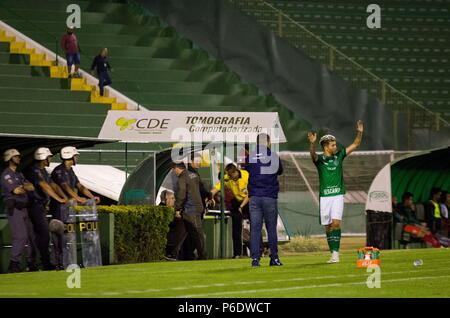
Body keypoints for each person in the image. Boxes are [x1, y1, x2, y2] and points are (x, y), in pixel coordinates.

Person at [308, 120, 363, 263]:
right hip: (325, 197)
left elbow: (355, 144)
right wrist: (312, 143)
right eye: (333, 145)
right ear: (326, 147)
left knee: (336, 223)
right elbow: (312, 155)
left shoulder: (339, 156)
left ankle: (336, 254)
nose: (336, 146)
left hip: (337, 195)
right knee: (328, 227)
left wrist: (360, 132)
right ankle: (332, 253)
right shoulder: (319, 159)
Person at [50, 146, 100, 268]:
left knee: (69, 235)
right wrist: (78, 198)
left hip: (69, 209)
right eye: (75, 156)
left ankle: (68, 261)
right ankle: (59, 262)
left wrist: (92, 197)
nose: (76, 158)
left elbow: (79, 186)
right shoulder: (59, 170)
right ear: (70, 156)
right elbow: (65, 186)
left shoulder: (70, 171)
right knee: (62, 235)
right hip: (60, 207)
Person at [25, 147, 68, 270]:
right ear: (43, 158)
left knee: (41, 235)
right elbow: (45, 186)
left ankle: (43, 262)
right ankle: (43, 262)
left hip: (41, 207)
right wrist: (59, 199)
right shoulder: (34, 170)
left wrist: (64, 197)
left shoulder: (43, 171)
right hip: (35, 206)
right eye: (48, 157)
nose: (50, 159)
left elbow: (53, 184)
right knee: (42, 235)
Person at [246, 133, 283, 267]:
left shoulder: (250, 156)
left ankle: (255, 259)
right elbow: (280, 171)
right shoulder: (273, 156)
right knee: (271, 229)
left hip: (254, 197)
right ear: (268, 142)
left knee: (255, 229)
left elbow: (249, 170)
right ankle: (274, 258)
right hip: (269, 196)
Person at [0, 149, 36, 272]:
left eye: (19, 156)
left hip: (24, 208)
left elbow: (31, 187)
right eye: (16, 156)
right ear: (9, 158)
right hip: (14, 208)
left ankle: (30, 263)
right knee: (20, 237)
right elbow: (17, 191)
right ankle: (13, 264)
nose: (19, 158)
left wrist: (23, 187)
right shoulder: (6, 174)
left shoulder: (19, 174)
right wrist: (23, 187)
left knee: (30, 237)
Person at [210, 163, 249, 259]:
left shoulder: (246, 175)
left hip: (249, 201)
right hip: (237, 202)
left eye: (232, 176)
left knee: (255, 226)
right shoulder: (227, 177)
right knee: (236, 229)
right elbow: (216, 188)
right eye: (229, 176)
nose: (231, 178)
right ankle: (237, 254)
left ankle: (258, 250)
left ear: (236, 172)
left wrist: (242, 206)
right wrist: (209, 196)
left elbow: (251, 193)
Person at [173, 162, 207, 260]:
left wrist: (177, 208)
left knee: (196, 233)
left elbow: (182, 194)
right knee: (191, 233)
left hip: (190, 209)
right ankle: (185, 254)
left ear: (177, 168)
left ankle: (202, 256)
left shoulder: (182, 178)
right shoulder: (193, 175)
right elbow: (201, 188)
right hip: (197, 207)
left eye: (173, 170)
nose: (174, 172)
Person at [161, 190, 186, 261]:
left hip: (171, 234)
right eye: (172, 198)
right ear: (165, 199)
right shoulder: (162, 209)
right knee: (183, 225)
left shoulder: (172, 209)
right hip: (169, 235)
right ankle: (172, 253)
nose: (174, 200)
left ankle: (174, 253)